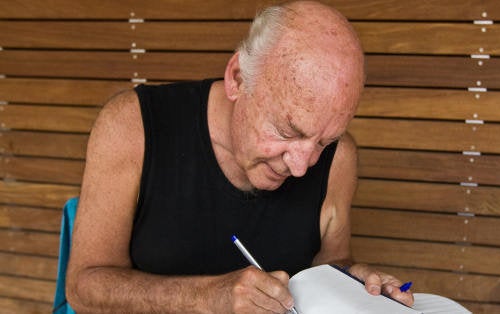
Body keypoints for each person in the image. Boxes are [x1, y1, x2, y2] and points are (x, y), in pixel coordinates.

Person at [66, 1, 414, 312]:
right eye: (287, 131)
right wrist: (204, 298)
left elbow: (330, 266)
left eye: (325, 140)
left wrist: (357, 283)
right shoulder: (132, 127)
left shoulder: (338, 160)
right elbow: (83, 288)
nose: (300, 167)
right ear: (237, 79)